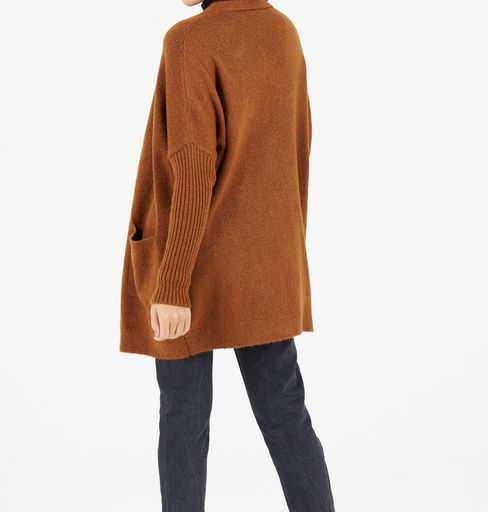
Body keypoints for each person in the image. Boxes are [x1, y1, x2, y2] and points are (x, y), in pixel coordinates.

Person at [119, 0, 336, 510]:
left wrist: (172, 284)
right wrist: (280, 255)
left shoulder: (189, 39)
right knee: (286, 417)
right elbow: (296, 148)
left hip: (189, 268)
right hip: (266, 267)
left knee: (183, 420)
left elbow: (194, 164)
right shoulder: (281, 30)